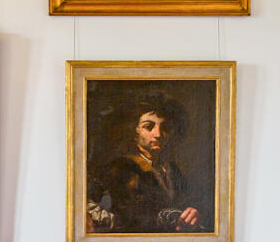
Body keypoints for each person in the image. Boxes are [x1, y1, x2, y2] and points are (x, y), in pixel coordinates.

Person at [86, 93, 209, 232]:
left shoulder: (171, 169)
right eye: (149, 127)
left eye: (165, 128)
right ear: (134, 132)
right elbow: (85, 201)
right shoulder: (120, 166)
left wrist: (193, 212)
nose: (158, 134)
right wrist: (112, 222)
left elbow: (188, 200)